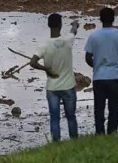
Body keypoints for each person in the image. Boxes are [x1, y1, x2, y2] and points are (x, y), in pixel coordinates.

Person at [30, 13, 80, 141]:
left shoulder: (44, 46)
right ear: (60, 25)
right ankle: (74, 142)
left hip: (52, 88)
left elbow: (33, 62)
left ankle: (56, 144)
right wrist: (75, 24)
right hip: (68, 86)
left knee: (54, 118)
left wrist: (45, 68)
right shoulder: (67, 40)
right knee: (71, 117)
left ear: (48, 25)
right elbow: (73, 31)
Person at [84, 7, 118, 135]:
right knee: (114, 109)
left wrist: (97, 66)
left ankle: (99, 134)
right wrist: (117, 65)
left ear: (100, 19)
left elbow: (88, 57)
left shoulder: (93, 36)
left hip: (99, 77)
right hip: (115, 77)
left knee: (99, 108)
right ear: (113, 18)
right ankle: (112, 133)